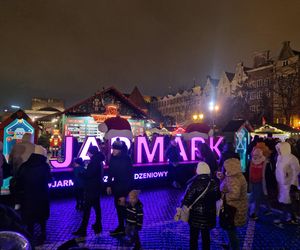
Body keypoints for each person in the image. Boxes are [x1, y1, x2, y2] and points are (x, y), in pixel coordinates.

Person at [15, 145, 51, 243]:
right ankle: (43, 235)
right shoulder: (44, 166)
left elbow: (18, 180)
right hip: (42, 196)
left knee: (29, 219)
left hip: (28, 196)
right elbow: (49, 178)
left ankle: (30, 236)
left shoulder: (25, 165)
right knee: (42, 218)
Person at [182, 162, 221, 250]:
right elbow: (218, 196)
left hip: (195, 216)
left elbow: (187, 200)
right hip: (208, 215)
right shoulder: (213, 183)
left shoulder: (194, 184)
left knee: (193, 238)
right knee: (206, 238)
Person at [72, 146, 105, 237]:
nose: (87, 154)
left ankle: (83, 230)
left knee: (87, 210)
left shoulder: (94, 162)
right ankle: (98, 226)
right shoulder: (98, 161)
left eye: (88, 152)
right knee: (97, 208)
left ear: (91, 153)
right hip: (96, 187)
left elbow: (89, 174)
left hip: (91, 188)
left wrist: (82, 174)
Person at [219, 155, 248, 250]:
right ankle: (229, 245)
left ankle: (234, 247)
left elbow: (235, 194)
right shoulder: (238, 175)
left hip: (233, 208)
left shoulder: (233, 178)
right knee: (231, 229)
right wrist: (223, 178)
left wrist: (224, 197)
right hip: (238, 207)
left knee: (231, 230)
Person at [107, 139, 133, 236]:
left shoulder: (126, 159)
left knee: (123, 208)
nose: (112, 151)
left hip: (123, 187)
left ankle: (128, 227)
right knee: (118, 208)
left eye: (115, 149)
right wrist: (109, 185)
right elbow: (110, 172)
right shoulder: (113, 158)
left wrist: (125, 193)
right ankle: (121, 226)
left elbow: (130, 176)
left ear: (120, 150)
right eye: (112, 149)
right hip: (116, 186)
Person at [274, 142, 300, 227]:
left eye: (280, 149)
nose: (279, 151)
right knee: (287, 203)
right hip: (282, 184)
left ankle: (284, 218)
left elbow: (296, 172)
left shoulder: (292, 159)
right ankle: (291, 218)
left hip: (289, 185)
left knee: (287, 202)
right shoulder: (280, 157)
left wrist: (292, 183)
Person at [249, 143, 272, 220]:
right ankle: (268, 209)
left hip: (261, 182)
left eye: (258, 152)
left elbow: (268, 174)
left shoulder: (266, 162)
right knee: (261, 196)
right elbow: (250, 171)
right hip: (253, 181)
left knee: (257, 197)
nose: (256, 154)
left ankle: (255, 213)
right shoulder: (251, 160)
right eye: (255, 152)